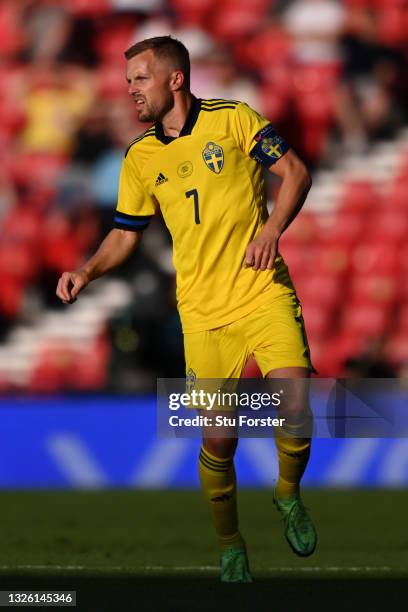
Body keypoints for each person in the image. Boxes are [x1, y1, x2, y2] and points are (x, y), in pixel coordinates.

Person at [56, 35, 317, 583]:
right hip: (201, 313)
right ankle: (230, 545)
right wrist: (86, 270)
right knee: (218, 439)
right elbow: (125, 235)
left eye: (140, 79)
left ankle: (287, 496)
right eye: (128, 81)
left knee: (296, 403)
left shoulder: (234, 120)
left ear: (175, 78)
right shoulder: (140, 156)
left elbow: (295, 172)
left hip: (262, 290)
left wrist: (271, 230)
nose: (131, 90)